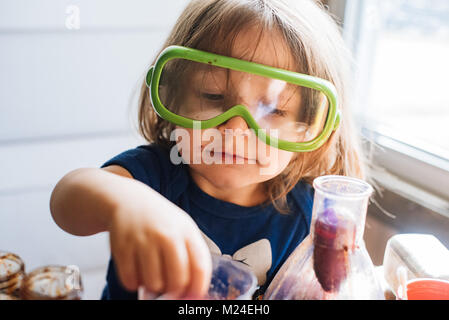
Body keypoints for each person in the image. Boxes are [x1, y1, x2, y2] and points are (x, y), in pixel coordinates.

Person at [50, 0, 367, 300]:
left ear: (311, 128)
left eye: (274, 110)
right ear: (173, 93)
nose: (235, 129)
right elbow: (67, 198)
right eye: (213, 96)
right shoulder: (153, 176)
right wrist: (128, 203)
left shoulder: (309, 219)